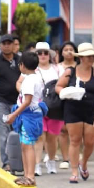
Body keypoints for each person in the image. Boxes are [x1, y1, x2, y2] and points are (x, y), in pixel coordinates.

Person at [55, 42, 94, 183]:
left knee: (90, 142)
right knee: (75, 140)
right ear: (81, 58)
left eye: (93, 56)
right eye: (88, 56)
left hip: (91, 110)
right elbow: (58, 86)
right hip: (73, 109)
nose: (91, 59)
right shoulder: (70, 72)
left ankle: (84, 163)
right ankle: (74, 171)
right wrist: (66, 92)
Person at [4, 51, 44, 187]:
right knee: (25, 145)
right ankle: (27, 175)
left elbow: (27, 101)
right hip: (30, 115)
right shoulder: (35, 77)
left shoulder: (29, 81)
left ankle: (30, 176)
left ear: (22, 65)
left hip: (29, 116)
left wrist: (13, 115)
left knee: (28, 146)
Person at [0, 34, 21, 170]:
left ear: (13, 45)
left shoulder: (20, 60)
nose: (6, 46)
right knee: (3, 132)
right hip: (0, 101)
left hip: (18, 102)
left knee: (18, 132)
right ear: (0, 46)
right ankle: (7, 162)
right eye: (4, 43)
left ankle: (19, 161)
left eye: (9, 43)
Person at [33, 42, 62, 175]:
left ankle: (51, 161)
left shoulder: (58, 69)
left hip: (55, 106)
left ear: (50, 55)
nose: (43, 55)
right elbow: (19, 83)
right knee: (40, 136)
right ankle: (36, 164)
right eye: (39, 53)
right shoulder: (32, 70)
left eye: (45, 53)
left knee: (52, 137)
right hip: (37, 106)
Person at [55, 41, 79, 170]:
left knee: (77, 132)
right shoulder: (57, 67)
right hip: (61, 101)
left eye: (71, 49)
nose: (69, 52)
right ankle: (65, 158)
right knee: (63, 130)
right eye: (66, 49)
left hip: (79, 101)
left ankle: (76, 156)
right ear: (61, 52)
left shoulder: (80, 67)